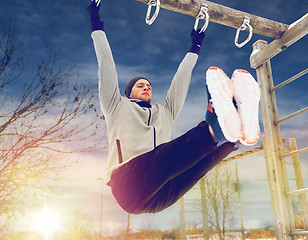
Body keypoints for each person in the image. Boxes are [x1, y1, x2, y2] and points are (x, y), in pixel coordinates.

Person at [87, 0, 260, 214]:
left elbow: (180, 81)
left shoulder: (165, 112)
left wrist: (194, 47)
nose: (146, 87)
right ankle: (215, 124)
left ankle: (234, 134)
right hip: (128, 186)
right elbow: (105, 64)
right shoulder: (116, 106)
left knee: (198, 164)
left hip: (162, 191)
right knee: (172, 156)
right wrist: (96, 23)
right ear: (128, 92)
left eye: (149, 85)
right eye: (140, 85)